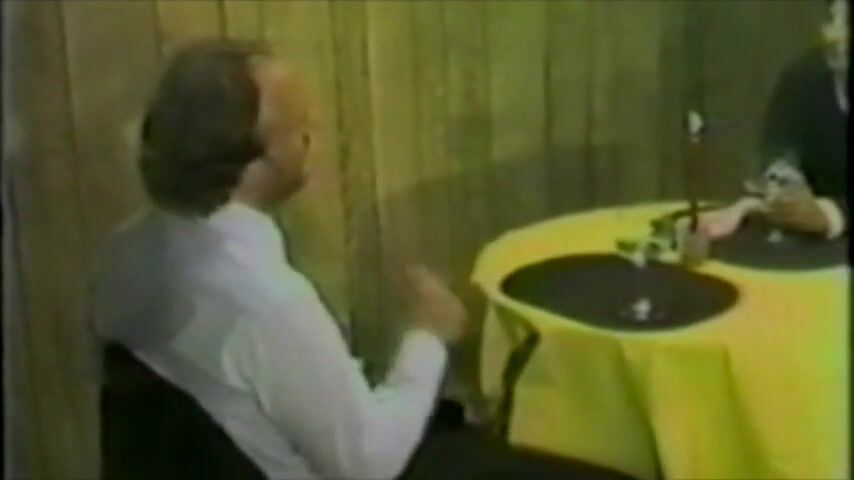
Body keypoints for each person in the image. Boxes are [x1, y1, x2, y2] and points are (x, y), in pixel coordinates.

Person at [92, 41, 632, 480]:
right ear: (255, 160)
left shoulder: (123, 251)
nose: (313, 137)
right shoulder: (264, 304)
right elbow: (367, 464)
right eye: (300, 129)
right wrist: (428, 334)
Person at [695, 0, 848, 240]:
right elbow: (777, 152)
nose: (833, 35)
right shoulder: (803, 76)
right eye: (832, 20)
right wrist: (778, 194)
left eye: (847, 23)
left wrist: (829, 215)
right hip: (807, 243)